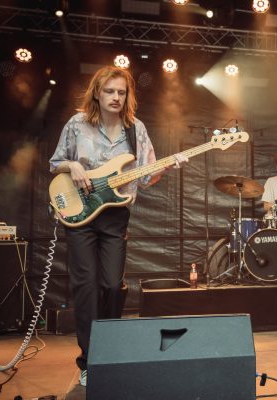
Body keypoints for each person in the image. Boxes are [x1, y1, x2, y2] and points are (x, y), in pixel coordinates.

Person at [49, 66, 187, 387]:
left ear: (128, 96)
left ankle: (109, 348)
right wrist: (73, 166)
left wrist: (167, 166)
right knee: (86, 286)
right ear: (97, 92)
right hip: (80, 214)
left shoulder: (135, 129)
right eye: (109, 91)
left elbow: (147, 176)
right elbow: (55, 162)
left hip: (114, 215)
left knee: (112, 285)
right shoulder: (77, 124)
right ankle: (89, 358)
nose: (115, 97)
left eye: (121, 92)